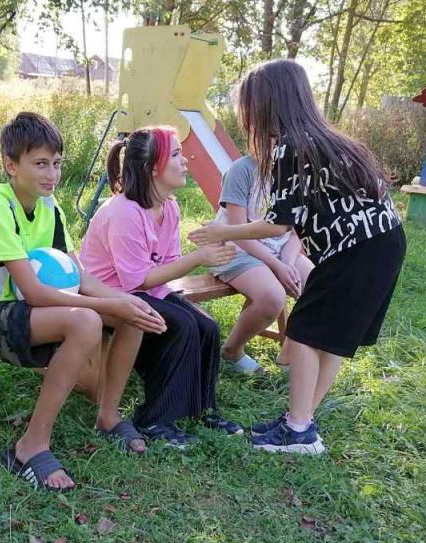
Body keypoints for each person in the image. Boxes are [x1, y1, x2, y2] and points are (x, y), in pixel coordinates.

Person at [189, 59, 406, 454]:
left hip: (354, 250)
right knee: (331, 337)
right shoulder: (331, 140)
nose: (247, 116)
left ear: (267, 104)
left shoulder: (291, 147)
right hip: (384, 244)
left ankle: (300, 431)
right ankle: (301, 422)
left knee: (305, 331)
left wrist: (222, 231)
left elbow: (278, 226)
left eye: (249, 105)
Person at [0, 112, 167, 491]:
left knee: (131, 312)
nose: (51, 174)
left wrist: (124, 301)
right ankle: (30, 446)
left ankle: (108, 415)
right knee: (86, 321)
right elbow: (33, 292)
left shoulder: (52, 208)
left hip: (32, 310)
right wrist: (105, 307)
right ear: (10, 165)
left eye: (56, 163)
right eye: (40, 164)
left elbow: (79, 276)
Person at [79, 125, 243, 447]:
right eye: (178, 155)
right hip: (111, 293)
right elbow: (136, 280)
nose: (186, 163)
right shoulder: (124, 212)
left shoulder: (168, 206)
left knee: (206, 325)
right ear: (154, 167)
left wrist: (201, 256)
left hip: (146, 289)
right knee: (178, 325)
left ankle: (202, 407)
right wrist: (200, 258)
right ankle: (154, 419)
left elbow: (166, 264)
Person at [209, 155, 314, 374]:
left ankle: (288, 357)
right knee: (272, 297)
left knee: (318, 288)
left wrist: (287, 262)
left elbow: (298, 231)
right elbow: (237, 232)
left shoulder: (297, 172)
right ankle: (232, 350)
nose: (277, 142)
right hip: (236, 248)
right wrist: (276, 265)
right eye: (271, 133)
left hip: (281, 249)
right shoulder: (242, 170)